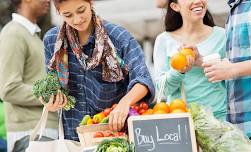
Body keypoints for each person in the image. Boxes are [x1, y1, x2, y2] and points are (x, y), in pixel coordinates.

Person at [42, 0, 155, 141]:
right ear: (59, 13)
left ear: (90, 3)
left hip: (113, 137)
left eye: (81, 10)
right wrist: (51, 101)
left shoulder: (117, 38)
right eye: (68, 15)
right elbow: (51, 84)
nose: (77, 19)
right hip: (71, 137)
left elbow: (143, 79)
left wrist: (124, 103)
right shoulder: (52, 41)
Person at [203, 0, 251, 151]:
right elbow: (244, 59)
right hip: (241, 129)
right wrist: (200, 60)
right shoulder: (235, 9)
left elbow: (234, 68)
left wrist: (232, 70)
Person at [154, 0, 227, 120]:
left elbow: (232, 76)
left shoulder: (222, 35)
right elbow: (162, 91)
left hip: (218, 119)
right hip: (179, 119)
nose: (197, 1)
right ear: (175, 6)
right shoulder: (164, 40)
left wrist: (202, 61)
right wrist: (178, 71)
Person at [0, 0, 58, 151]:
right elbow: (8, 89)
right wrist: (51, 95)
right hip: (29, 133)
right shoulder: (13, 34)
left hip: (44, 130)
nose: (48, 1)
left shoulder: (30, 35)